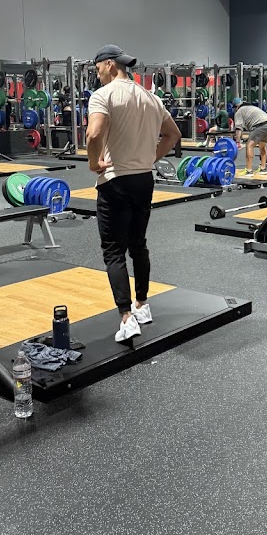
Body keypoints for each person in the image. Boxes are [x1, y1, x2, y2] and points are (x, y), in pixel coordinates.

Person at [86, 44, 181, 343]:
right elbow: (173, 135)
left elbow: (93, 133)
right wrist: (151, 158)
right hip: (143, 180)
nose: (97, 74)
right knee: (138, 244)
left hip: (115, 181)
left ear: (110, 64)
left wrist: (93, 163)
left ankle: (126, 318)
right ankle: (142, 304)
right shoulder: (152, 97)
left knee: (114, 251)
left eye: (98, 68)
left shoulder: (103, 95)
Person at [232, 97, 267, 177]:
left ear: (236, 107)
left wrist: (237, 142)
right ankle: (263, 168)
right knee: (262, 145)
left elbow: (238, 128)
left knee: (249, 146)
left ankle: (249, 170)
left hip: (260, 125)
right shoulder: (252, 107)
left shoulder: (239, 111)